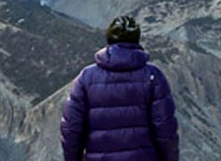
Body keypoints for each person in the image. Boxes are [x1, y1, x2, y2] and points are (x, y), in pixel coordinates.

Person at [61, 16, 180, 161]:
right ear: (137, 39)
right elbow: (165, 129)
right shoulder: (153, 75)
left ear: (109, 40)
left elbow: (72, 129)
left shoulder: (86, 77)